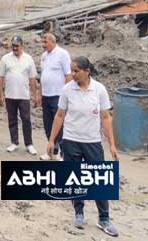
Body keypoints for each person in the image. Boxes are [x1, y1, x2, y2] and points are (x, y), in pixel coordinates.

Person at [47, 56, 119, 237]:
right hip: (71, 141)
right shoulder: (67, 89)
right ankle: (79, 212)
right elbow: (59, 115)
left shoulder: (99, 90)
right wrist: (51, 140)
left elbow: (105, 118)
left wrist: (111, 144)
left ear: (87, 72)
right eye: (71, 70)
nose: (72, 74)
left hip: (92, 141)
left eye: (76, 71)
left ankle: (104, 218)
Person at [0, 35, 39, 155]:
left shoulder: (28, 59)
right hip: (10, 95)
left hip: (24, 95)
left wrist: (34, 95)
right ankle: (14, 142)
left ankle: (29, 144)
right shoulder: (5, 58)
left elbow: (32, 78)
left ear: (22, 45)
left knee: (26, 120)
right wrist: (1, 94)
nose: (14, 48)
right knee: (12, 119)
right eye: (13, 45)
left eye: (17, 46)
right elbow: (0, 77)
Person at [39, 32, 72, 160]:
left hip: (58, 95)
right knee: (48, 124)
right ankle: (51, 151)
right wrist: (40, 94)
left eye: (45, 42)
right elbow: (43, 76)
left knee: (59, 124)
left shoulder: (62, 54)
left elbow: (68, 75)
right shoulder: (44, 56)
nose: (43, 45)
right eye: (42, 42)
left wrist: (67, 95)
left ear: (53, 42)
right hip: (46, 95)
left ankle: (63, 153)